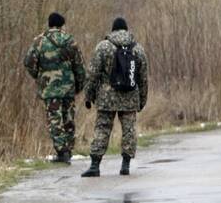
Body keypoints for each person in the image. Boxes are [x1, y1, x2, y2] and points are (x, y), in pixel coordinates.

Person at [81, 17, 149, 177]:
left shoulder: (103, 47)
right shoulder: (137, 49)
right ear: (126, 30)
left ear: (112, 30)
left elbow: (93, 74)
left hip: (106, 97)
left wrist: (88, 95)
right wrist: (142, 100)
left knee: (102, 128)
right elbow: (143, 78)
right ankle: (125, 165)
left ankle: (95, 165)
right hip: (130, 96)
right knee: (129, 130)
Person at [23, 12, 86, 163]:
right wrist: (78, 85)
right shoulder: (70, 41)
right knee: (68, 119)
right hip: (68, 87)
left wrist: (39, 76)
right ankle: (68, 150)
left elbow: (28, 62)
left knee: (54, 120)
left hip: (49, 88)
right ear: (62, 25)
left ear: (49, 24)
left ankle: (62, 151)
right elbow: (80, 66)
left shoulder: (39, 41)